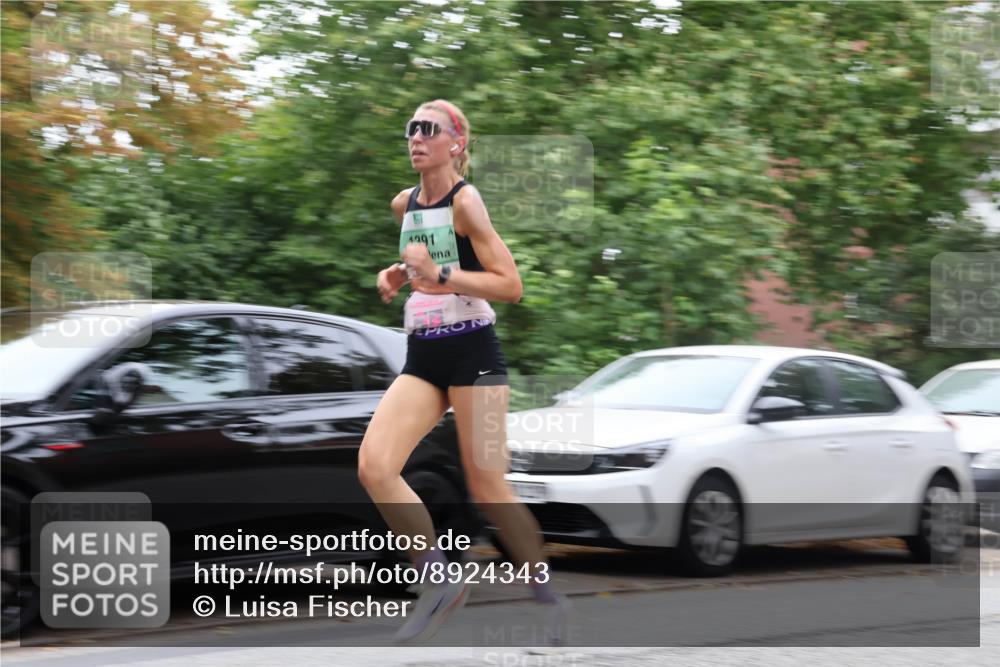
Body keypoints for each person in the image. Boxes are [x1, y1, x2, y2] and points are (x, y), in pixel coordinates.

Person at [358, 99, 571, 646]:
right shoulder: (404, 203)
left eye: (428, 129)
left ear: (456, 144)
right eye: (411, 128)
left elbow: (509, 285)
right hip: (424, 353)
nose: (415, 137)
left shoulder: (466, 201)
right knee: (375, 467)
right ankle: (438, 582)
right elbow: (424, 265)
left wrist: (441, 274)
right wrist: (399, 274)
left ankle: (548, 598)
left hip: (474, 349)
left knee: (488, 486)